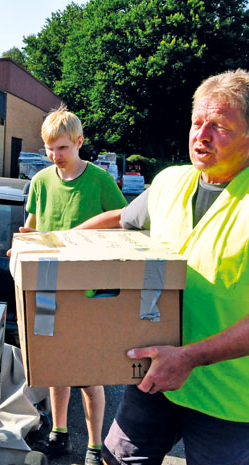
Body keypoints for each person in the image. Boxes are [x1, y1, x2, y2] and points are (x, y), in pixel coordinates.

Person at [75, 69, 249, 465]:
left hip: (231, 401)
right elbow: (121, 218)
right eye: (196, 122)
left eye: (219, 126)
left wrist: (189, 357)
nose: (201, 135)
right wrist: (50, 246)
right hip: (154, 378)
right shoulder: (171, 182)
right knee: (116, 460)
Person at [22, 105, 128, 465]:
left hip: (90, 296)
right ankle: (59, 433)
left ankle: (95, 447)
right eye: (49, 149)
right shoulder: (40, 182)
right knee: (56, 368)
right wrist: (23, 243)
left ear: (80, 142)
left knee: (88, 374)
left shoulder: (100, 181)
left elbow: (123, 225)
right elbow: (33, 228)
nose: (55, 156)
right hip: (51, 291)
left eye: (62, 148)